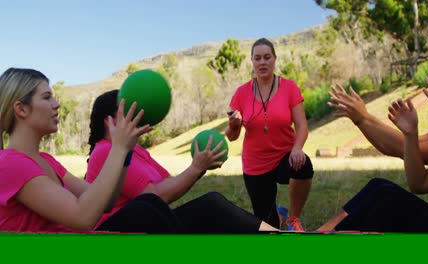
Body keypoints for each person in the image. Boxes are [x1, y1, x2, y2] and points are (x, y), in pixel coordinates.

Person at [86, 90, 277, 233]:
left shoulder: (134, 149)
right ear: (108, 121)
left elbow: (167, 185)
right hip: (117, 232)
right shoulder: (105, 151)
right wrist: (196, 167)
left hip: (151, 223)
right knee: (211, 206)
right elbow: (155, 198)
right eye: (126, 112)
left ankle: (274, 237)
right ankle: (278, 238)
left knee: (210, 207)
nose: (135, 116)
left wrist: (200, 166)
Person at [318, 63, 428, 232]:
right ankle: (322, 236)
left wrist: (363, 117)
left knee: (423, 214)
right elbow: (416, 175)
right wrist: (363, 119)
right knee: (382, 189)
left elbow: (405, 148)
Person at [0, 68, 152, 233]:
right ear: (21, 109)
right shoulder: (10, 164)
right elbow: (83, 217)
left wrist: (125, 152)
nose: (56, 104)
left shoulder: (46, 160)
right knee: (146, 213)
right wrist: (118, 149)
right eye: (46, 97)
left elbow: (106, 202)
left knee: (147, 206)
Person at [225, 38, 314, 231]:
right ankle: (278, 218)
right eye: (257, 58)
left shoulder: (290, 88)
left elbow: (302, 125)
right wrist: (234, 125)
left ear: (274, 59)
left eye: (267, 57)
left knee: (303, 165)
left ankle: (293, 219)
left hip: (285, 156)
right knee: (268, 228)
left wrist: (297, 148)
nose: (262, 62)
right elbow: (232, 136)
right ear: (252, 61)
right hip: (256, 165)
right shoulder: (241, 93)